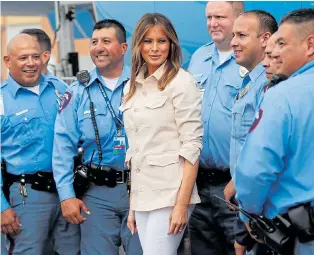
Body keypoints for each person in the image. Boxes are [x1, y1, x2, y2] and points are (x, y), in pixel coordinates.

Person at [52, 19, 142, 255]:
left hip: (143, 189)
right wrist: (67, 196)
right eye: (94, 42)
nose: (98, 47)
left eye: (106, 41)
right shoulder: (77, 91)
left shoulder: (143, 84)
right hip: (96, 194)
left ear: (123, 48)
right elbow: (62, 147)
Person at [121, 13, 202, 255]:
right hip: (143, 196)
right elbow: (136, 151)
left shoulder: (181, 82)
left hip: (171, 195)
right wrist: (133, 207)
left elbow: (192, 146)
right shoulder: (131, 86)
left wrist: (181, 204)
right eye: (148, 41)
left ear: (172, 45)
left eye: (162, 41)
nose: (155, 48)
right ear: (138, 45)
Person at [234, 8, 314, 255]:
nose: (275, 52)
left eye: (282, 43)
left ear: (310, 45)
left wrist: (248, 214)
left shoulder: (283, 96)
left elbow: (254, 171)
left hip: (297, 236)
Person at [0, 34, 80, 254]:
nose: (31, 63)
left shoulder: (61, 89)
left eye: (35, 56)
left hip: (68, 193)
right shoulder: (1, 100)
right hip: (28, 198)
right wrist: (2, 208)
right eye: (23, 57)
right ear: (8, 61)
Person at [187, 2, 245, 255]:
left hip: (233, 187)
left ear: (239, 18)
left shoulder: (251, 60)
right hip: (198, 186)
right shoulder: (199, 57)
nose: (213, 23)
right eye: (209, 17)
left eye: (220, 17)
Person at [224, 10, 278, 255]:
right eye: (234, 35)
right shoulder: (250, 83)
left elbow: (262, 154)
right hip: (246, 204)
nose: (233, 41)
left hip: (259, 209)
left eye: (242, 35)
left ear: (265, 39)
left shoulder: (268, 84)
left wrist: (243, 232)